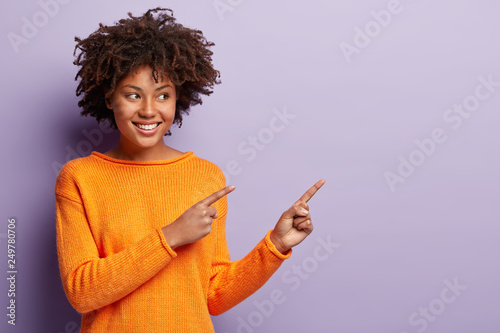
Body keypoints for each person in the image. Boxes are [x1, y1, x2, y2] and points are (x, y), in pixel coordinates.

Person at [54, 7, 325, 332]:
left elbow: (214, 296)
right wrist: (171, 236)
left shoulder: (206, 177)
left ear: (178, 98)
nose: (149, 110)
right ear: (110, 98)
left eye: (163, 95)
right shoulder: (79, 178)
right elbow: (82, 293)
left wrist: (275, 246)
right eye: (133, 95)